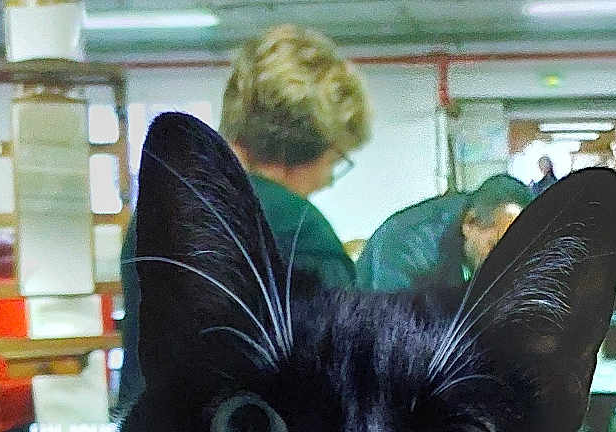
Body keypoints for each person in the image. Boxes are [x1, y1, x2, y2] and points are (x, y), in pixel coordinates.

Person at [120, 24, 370, 407]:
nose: (326, 181)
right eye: (335, 160)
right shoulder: (301, 231)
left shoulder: (163, 208)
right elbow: (339, 388)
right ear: (304, 149)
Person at [356, 174, 532, 296]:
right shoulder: (410, 245)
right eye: (494, 248)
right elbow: (396, 330)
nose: (504, 266)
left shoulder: (478, 220)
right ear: (469, 223)